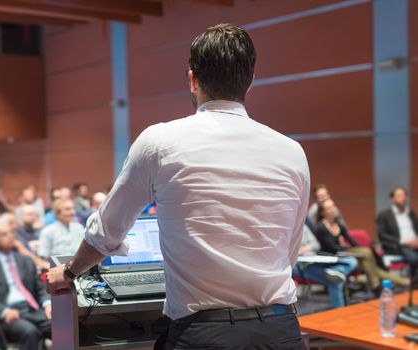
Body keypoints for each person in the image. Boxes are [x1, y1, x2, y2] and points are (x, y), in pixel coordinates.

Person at [48, 24, 311, 349]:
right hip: (280, 330)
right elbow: (288, 252)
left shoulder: (160, 141)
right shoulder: (292, 152)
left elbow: (106, 231)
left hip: (204, 335)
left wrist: (70, 273)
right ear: (250, 81)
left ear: (192, 79)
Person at [0, 220, 51, 350]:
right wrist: (4, 311)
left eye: (11, 233)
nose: (10, 236)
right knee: (30, 332)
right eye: (4, 234)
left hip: (32, 308)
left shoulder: (24, 260)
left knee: (61, 325)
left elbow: (39, 286)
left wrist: (47, 304)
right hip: (6, 315)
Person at [315, 199, 408, 294]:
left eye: (333, 206)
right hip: (332, 257)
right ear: (323, 213)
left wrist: (361, 251)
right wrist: (357, 253)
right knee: (367, 256)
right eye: (329, 208)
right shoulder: (320, 228)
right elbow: (332, 248)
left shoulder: (338, 225)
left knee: (368, 261)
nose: (333, 209)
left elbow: (352, 243)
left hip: (344, 253)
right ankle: (380, 285)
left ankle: (385, 284)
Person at [293, 225, 357, 309]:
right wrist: (300, 250)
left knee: (352, 260)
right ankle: (339, 313)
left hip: (316, 260)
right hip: (301, 265)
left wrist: (303, 249)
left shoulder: (302, 226)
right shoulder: (282, 227)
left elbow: (316, 245)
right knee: (335, 281)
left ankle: (335, 270)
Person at [377, 186, 418, 276]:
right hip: (399, 246)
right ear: (392, 199)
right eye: (399, 196)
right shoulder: (384, 215)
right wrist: (404, 242)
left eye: (404, 196)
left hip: (415, 244)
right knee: (415, 259)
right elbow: (382, 235)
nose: (403, 198)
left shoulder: (411, 213)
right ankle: (413, 284)